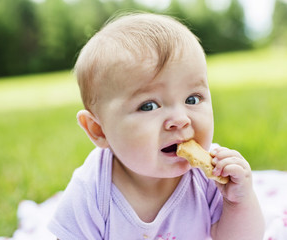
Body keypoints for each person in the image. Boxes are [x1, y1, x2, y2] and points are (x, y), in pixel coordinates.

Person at [48, 12, 265, 240]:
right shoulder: (91, 191)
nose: (180, 119)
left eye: (192, 99)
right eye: (149, 105)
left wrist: (238, 202)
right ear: (98, 130)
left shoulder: (210, 176)